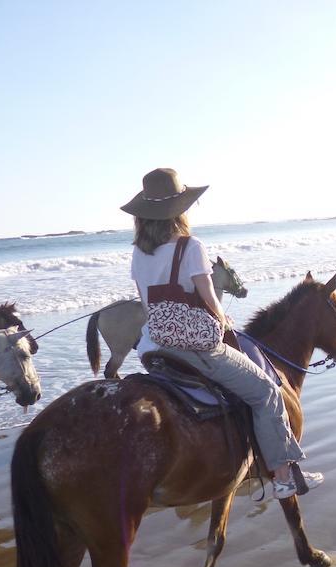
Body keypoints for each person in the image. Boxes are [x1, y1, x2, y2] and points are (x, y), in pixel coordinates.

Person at [122, 168, 322, 499]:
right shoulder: (191, 247)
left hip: (154, 348)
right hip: (196, 348)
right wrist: (222, 319)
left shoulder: (138, 253)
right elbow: (208, 297)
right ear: (180, 210)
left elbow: (147, 304)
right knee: (266, 392)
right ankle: (284, 476)